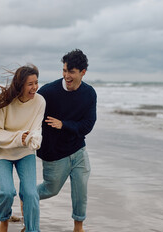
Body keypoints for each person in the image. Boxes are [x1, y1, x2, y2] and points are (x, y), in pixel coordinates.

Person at [0, 64, 45, 232]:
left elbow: (36, 129)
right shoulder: (4, 101)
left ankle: (32, 230)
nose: (35, 87)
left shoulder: (40, 101)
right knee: (7, 192)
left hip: (25, 152)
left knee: (31, 194)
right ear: (20, 84)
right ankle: (3, 217)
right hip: (1, 151)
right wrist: (20, 137)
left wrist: (34, 139)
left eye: (36, 82)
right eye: (30, 84)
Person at [36, 49, 97, 232]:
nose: (66, 76)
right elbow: (31, 114)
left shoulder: (89, 94)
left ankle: (78, 227)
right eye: (64, 70)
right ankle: (28, 195)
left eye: (71, 72)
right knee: (50, 190)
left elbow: (87, 125)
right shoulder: (48, 92)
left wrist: (64, 125)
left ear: (83, 72)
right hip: (54, 153)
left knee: (81, 189)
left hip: (78, 150)